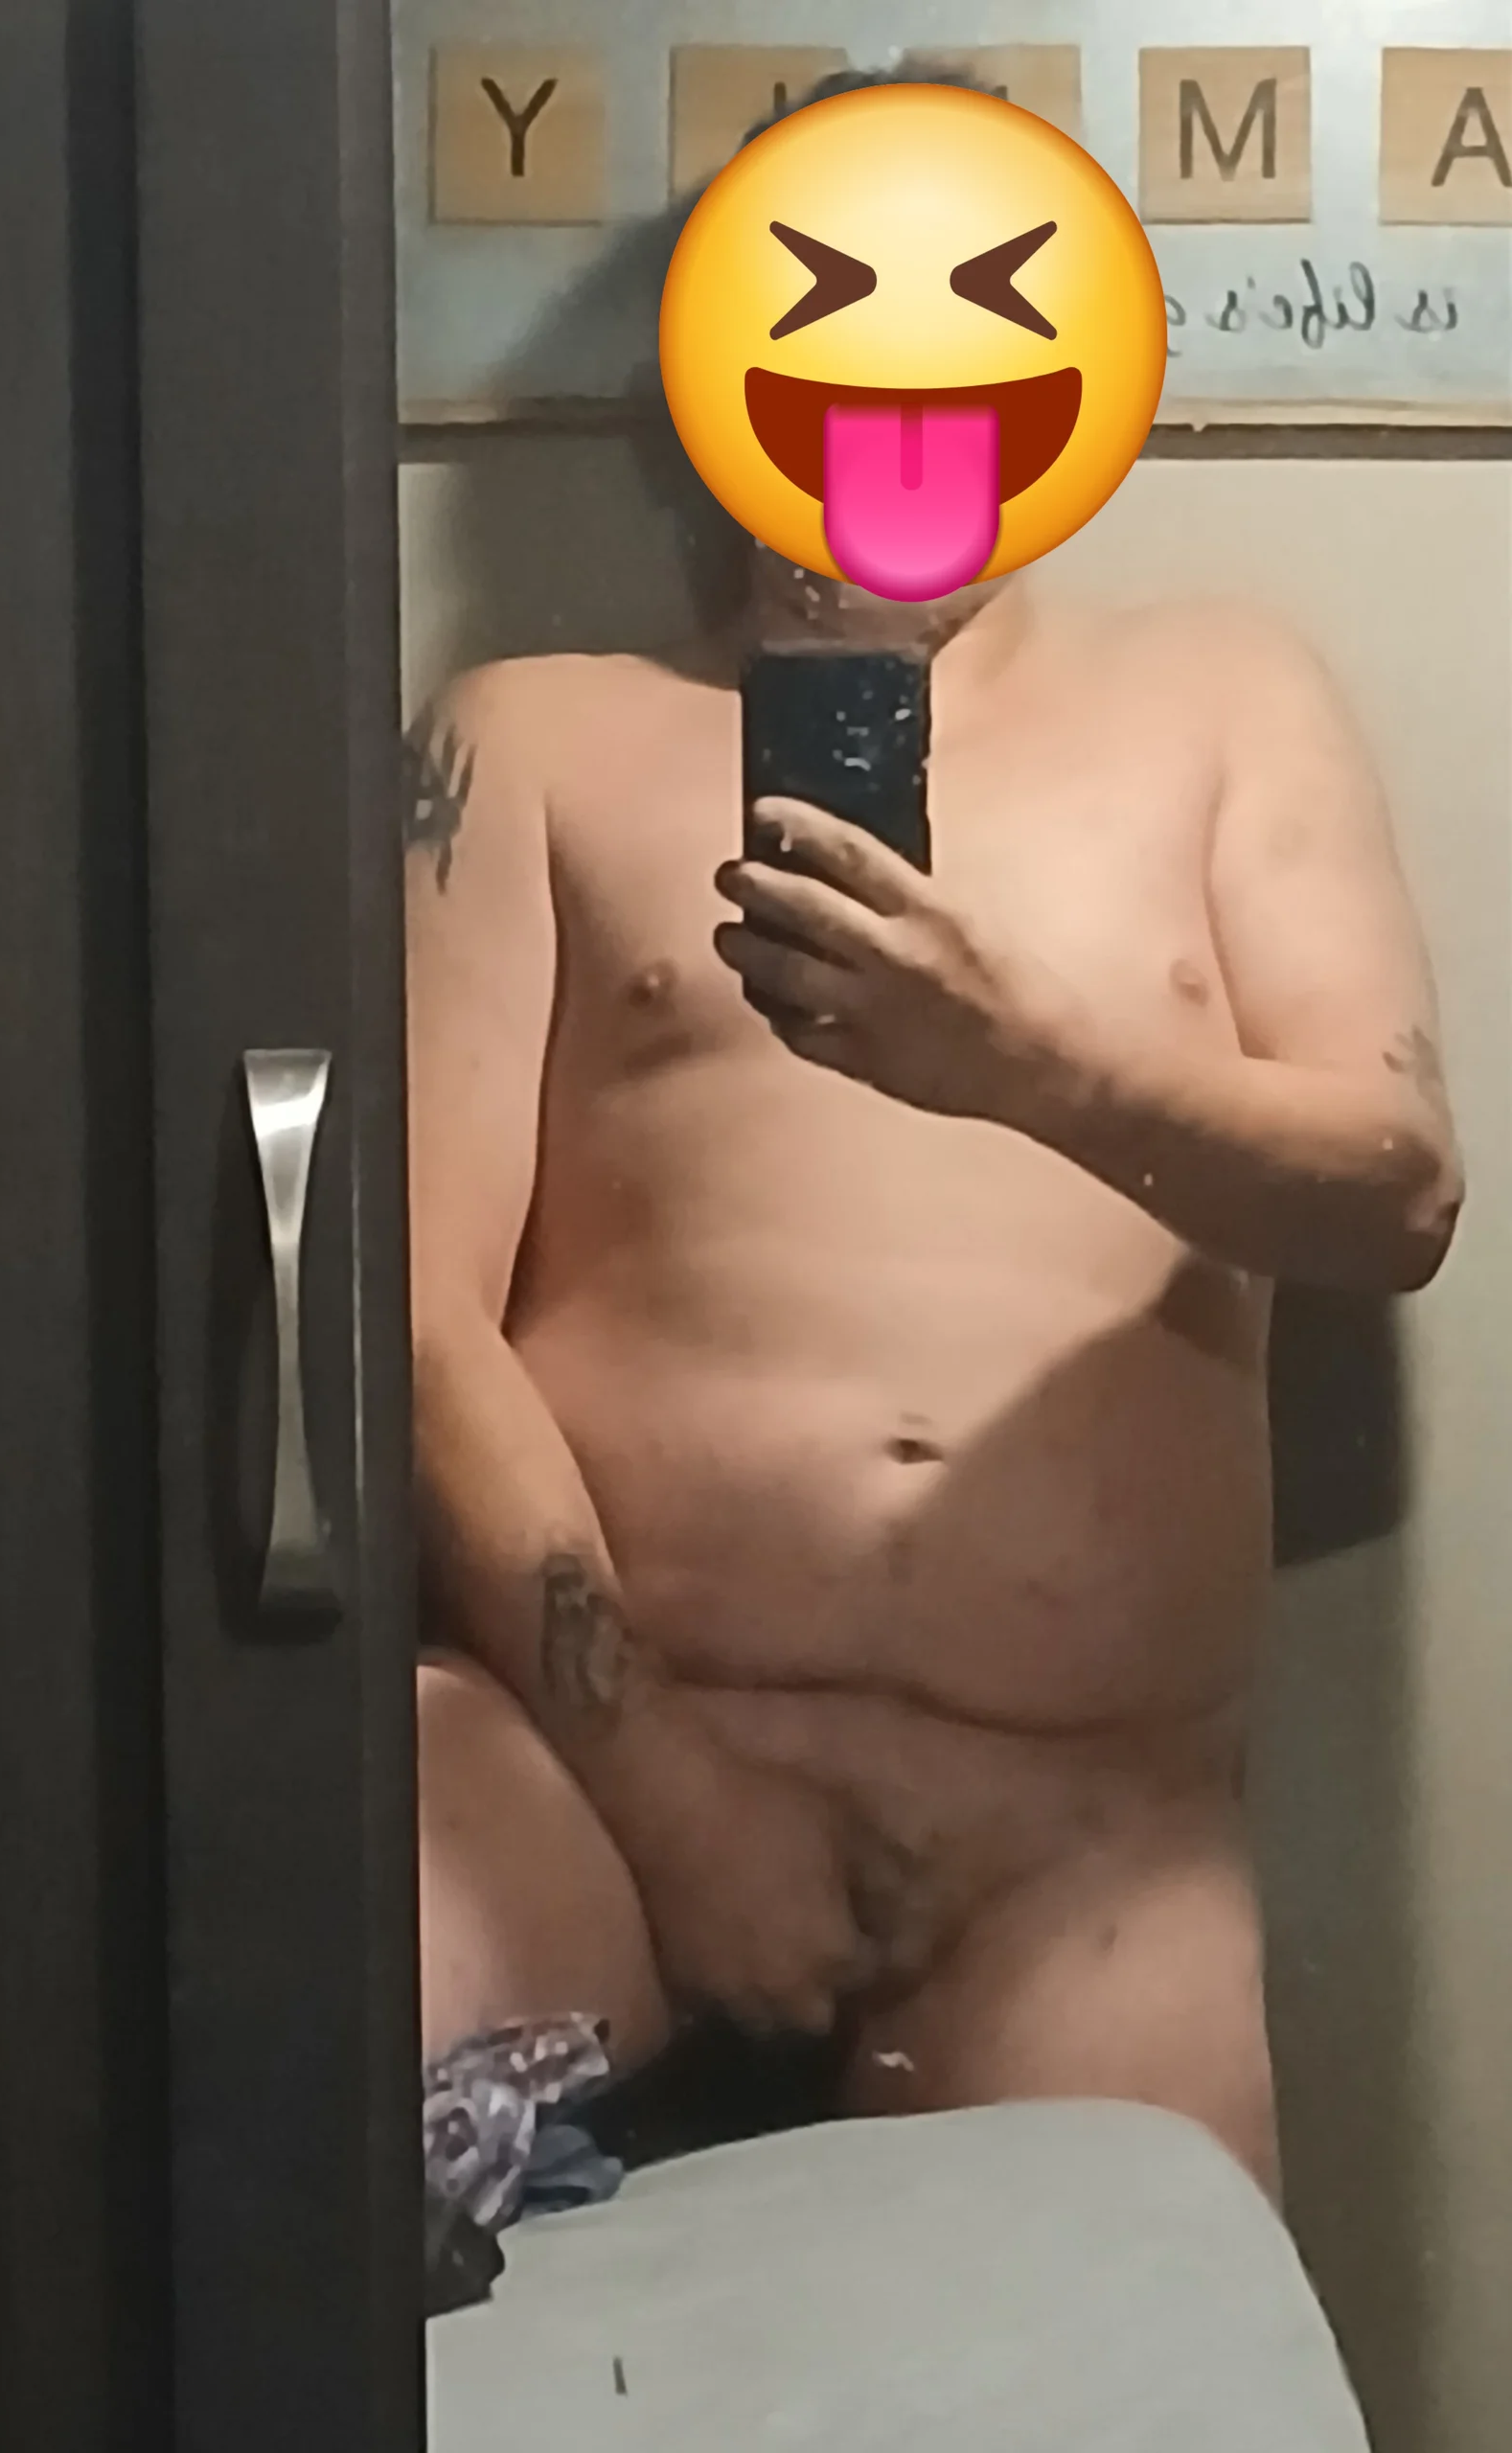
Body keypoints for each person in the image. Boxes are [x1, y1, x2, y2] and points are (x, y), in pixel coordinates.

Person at [405, 73, 1462, 2199]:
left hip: (1082, 1842)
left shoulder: (1222, 699)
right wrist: (669, 1789)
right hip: (584, 1766)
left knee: (1150, 2342)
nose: (901, 392)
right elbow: (405, 1315)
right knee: (276, 2257)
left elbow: (1395, 1190)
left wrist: (1031, 1062)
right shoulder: (535, 733)